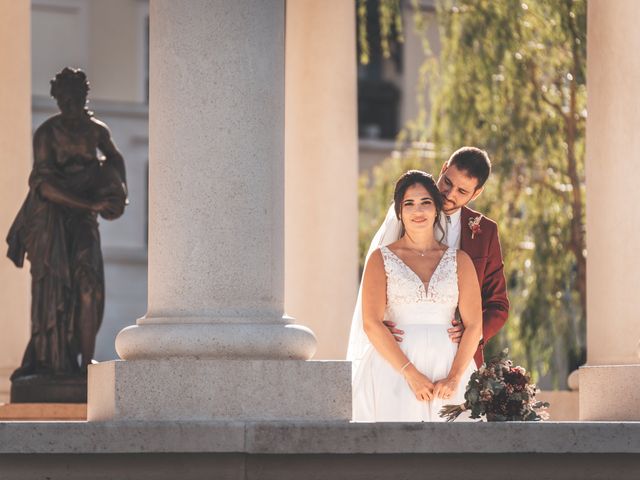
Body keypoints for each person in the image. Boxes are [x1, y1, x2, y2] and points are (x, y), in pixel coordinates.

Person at [6, 67, 127, 380]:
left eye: (75, 99)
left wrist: (116, 192)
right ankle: (52, 361)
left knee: (89, 288)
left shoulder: (96, 131)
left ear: (85, 97)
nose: (70, 105)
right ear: (57, 99)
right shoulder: (46, 133)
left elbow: (115, 159)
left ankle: (86, 365)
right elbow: (43, 186)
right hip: (50, 221)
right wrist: (90, 202)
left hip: (83, 221)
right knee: (53, 289)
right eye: (64, 99)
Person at [351, 170, 483, 421]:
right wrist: (410, 374)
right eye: (409, 204)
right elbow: (371, 323)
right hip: (393, 371)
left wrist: (454, 377)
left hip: (449, 368)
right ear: (399, 212)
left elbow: (475, 325)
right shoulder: (380, 259)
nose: (418, 210)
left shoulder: (460, 260)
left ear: (436, 209)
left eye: (425, 202)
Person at [383, 147, 509, 368]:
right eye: (448, 182)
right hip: (403, 348)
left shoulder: (485, 232)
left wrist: (473, 332)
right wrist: (384, 320)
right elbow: (383, 273)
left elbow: (498, 305)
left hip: (461, 357)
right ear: (443, 169)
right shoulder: (408, 214)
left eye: (462, 191)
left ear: (476, 193)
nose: (450, 195)